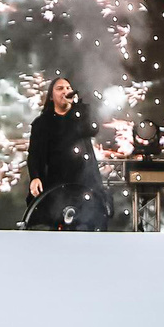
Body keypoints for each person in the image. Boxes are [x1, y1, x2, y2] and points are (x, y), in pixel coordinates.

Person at [26, 77, 109, 231]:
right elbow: (34, 154)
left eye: (68, 88)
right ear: (51, 96)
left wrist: (79, 108)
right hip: (55, 182)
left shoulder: (81, 116)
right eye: (60, 88)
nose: (65, 91)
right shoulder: (42, 123)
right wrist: (35, 177)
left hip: (84, 180)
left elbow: (93, 129)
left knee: (88, 223)